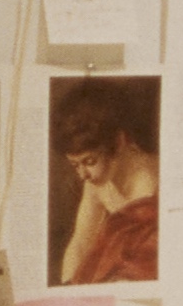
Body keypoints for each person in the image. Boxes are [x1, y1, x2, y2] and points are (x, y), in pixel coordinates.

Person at [55, 100, 160, 286]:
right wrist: (67, 288)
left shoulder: (150, 182)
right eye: (75, 165)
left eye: (89, 161)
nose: (82, 175)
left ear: (118, 142)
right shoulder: (98, 182)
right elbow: (81, 241)